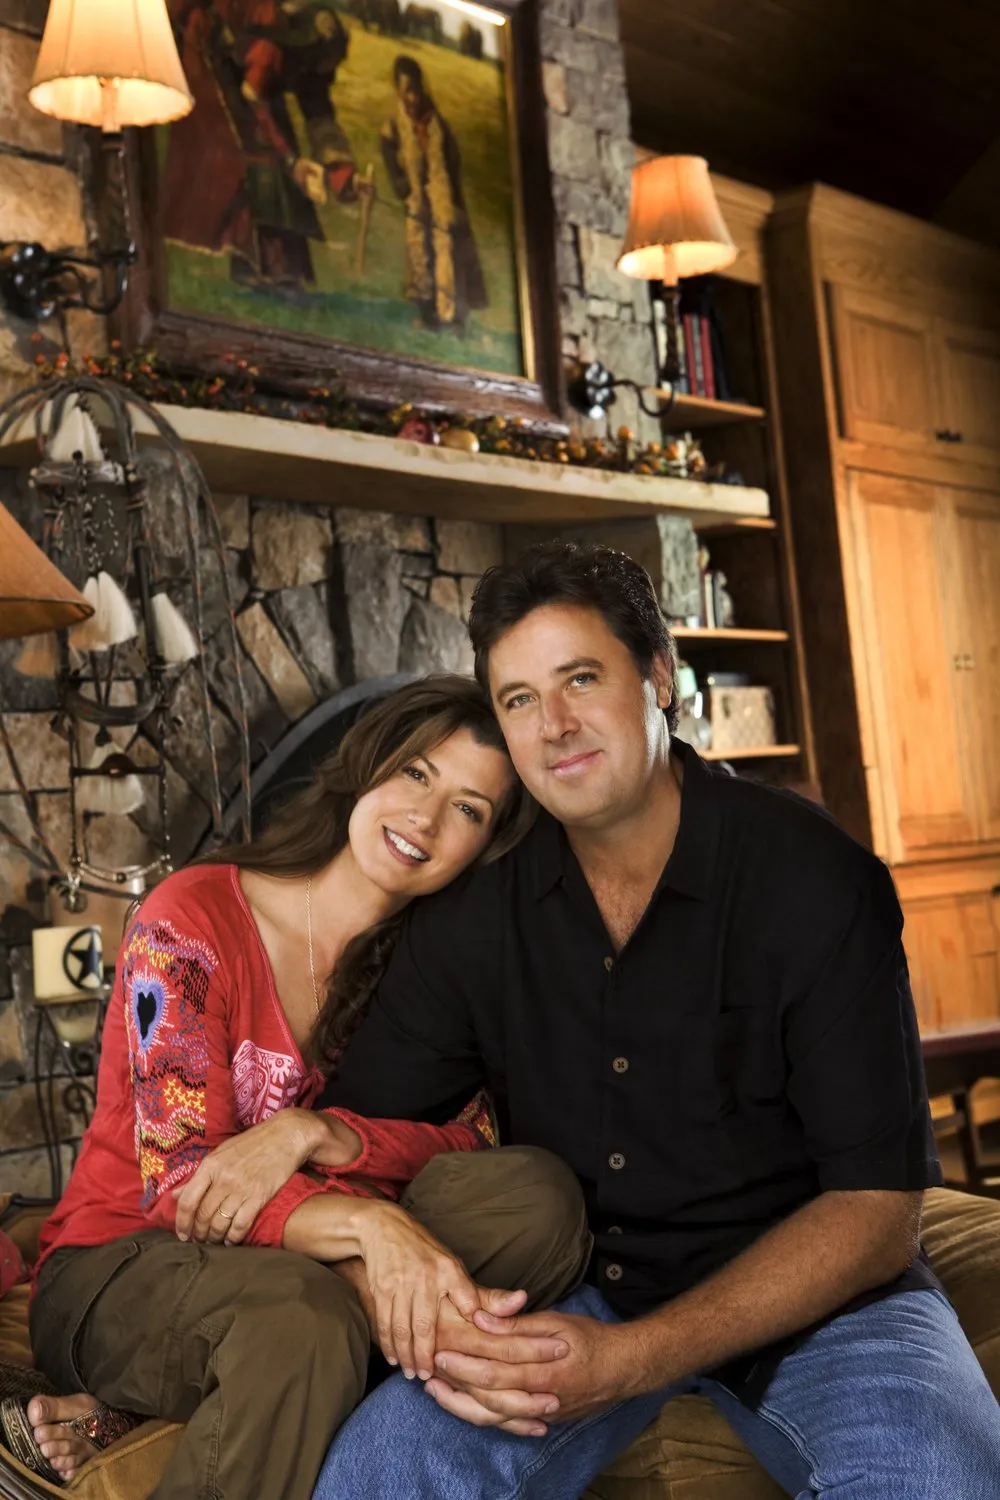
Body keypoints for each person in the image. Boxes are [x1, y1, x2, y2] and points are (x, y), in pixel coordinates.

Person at [308, 542, 1000, 1498]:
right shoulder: (476, 913)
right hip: (576, 1288)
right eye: (518, 700)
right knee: (380, 1470)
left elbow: (877, 1213)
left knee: (936, 1475)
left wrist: (633, 1361)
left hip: (832, 1302)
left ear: (660, 679)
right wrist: (380, 1268)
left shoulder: (816, 879)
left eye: (580, 678)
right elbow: (366, 1131)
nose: (553, 726)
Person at [9, 676, 590, 1497]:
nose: (424, 819)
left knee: (537, 1201)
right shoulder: (192, 919)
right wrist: (368, 1229)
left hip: (293, 1257)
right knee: (297, 1321)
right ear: (367, 765)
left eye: (468, 809)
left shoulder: (434, 960)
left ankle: (169, 1410)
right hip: (125, 1261)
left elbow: (477, 1134)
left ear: (486, 844)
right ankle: (270, 1363)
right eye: (415, 774)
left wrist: (318, 1135)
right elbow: (184, 1185)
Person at [381, 55, 487, 331]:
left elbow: (452, 162)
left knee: (444, 244)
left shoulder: (437, 122)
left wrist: (452, 197)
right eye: (407, 92)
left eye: (416, 90)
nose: (413, 98)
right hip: (414, 191)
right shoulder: (394, 121)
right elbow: (388, 150)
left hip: (439, 190)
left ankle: (448, 312)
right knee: (417, 245)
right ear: (398, 91)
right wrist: (399, 181)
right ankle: (425, 309)